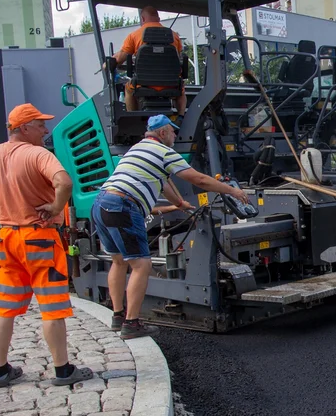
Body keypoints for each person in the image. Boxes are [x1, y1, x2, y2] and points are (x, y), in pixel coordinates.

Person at [0, 103, 93, 388]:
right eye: (40, 125)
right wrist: (57, 205)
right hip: (40, 237)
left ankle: (0, 370)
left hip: (7, 239)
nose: (45, 130)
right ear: (23, 128)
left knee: (5, 308)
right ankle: (63, 370)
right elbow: (64, 182)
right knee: (52, 308)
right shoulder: (37, 154)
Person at [93, 114, 253, 338]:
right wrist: (232, 190)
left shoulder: (138, 149)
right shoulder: (164, 152)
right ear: (162, 133)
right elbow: (199, 180)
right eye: (173, 131)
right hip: (123, 206)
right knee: (141, 265)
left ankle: (118, 315)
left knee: (118, 262)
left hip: (102, 203)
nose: (176, 135)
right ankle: (132, 323)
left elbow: (164, 182)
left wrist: (179, 204)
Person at [106, 6, 187, 116]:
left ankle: (134, 118)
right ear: (158, 18)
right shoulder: (174, 36)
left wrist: (107, 63)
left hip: (143, 85)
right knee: (181, 90)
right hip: (170, 85)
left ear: (143, 19)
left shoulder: (134, 36)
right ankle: (181, 117)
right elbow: (176, 60)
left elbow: (120, 58)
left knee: (128, 89)